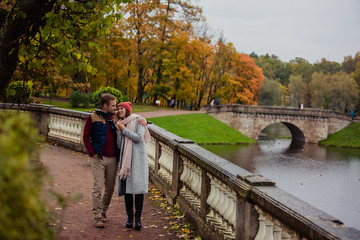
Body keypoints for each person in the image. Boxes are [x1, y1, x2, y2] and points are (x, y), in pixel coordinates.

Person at [83, 94, 119, 228]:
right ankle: (97, 216)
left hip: (114, 158)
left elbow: (131, 117)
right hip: (99, 158)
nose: (115, 108)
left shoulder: (115, 117)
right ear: (105, 105)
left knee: (109, 188)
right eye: (113, 105)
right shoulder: (92, 117)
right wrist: (92, 153)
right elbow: (86, 136)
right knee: (97, 187)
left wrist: (142, 121)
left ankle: (103, 212)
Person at [115, 102, 150, 231]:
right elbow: (119, 145)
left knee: (139, 190)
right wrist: (119, 131)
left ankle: (138, 219)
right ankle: (130, 218)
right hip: (126, 161)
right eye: (118, 109)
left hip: (138, 160)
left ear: (127, 110)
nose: (119, 110)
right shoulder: (120, 123)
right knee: (128, 190)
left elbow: (139, 138)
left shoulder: (139, 120)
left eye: (121, 108)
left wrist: (124, 130)